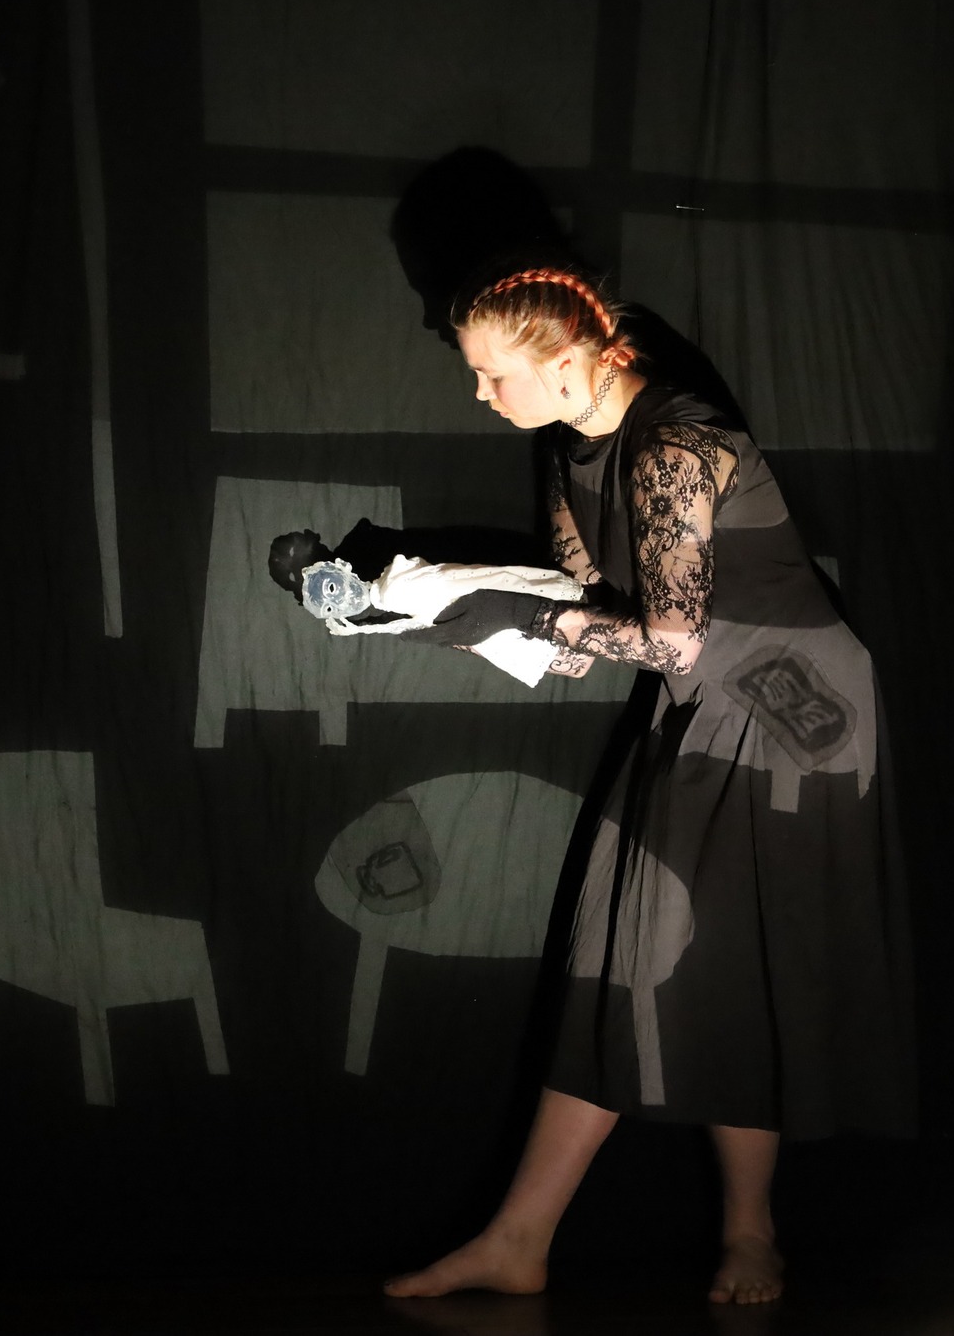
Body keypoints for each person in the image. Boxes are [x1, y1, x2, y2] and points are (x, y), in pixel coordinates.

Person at [384, 267, 914, 1305]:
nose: (479, 394)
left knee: (718, 958)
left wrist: (521, 616)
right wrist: (421, 611)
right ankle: (525, 1238)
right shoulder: (567, 443)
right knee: (629, 951)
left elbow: (668, 641)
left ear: (567, 360)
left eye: (492, 374)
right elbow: (592, 620)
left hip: (797, 716)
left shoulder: (674, 443)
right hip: (708, 701)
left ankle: (744, 1234)